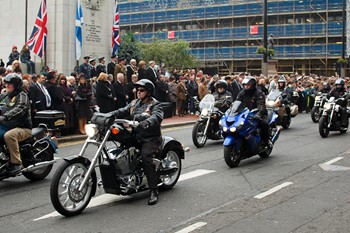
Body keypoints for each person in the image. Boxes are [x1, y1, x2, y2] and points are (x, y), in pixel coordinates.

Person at [109, 79, 163, 205]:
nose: (138, 92)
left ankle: (153, 191)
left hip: (150, 137)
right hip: (136, 135)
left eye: (141, 90)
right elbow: (122, 110)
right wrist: (107, 115)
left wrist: (146, 122)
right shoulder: (134, 103)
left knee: (146, 158)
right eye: (137, 90)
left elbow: (157, 116)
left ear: (148, 92)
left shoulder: (155, 104)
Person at [0, 73, 32, 175]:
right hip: (7, 125)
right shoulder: (5, 95)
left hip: (22, 128)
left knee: (9, 136)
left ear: (16, 85)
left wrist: (5, 116)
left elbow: (20, 108)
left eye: (10, 84)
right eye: (6, 84)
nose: (7, 86)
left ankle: (16, 163)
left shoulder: (22, 95)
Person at [237, 76, 270, 147]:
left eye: (248, 85)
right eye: (245, 85)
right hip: (245, 114)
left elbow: (261, 105)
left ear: (252, 85)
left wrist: (259, 113)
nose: (246, 87)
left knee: (264, 124)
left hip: (257, 114)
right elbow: (236, 103)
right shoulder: (242, 93)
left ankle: (266, 141)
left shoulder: (259, 93)